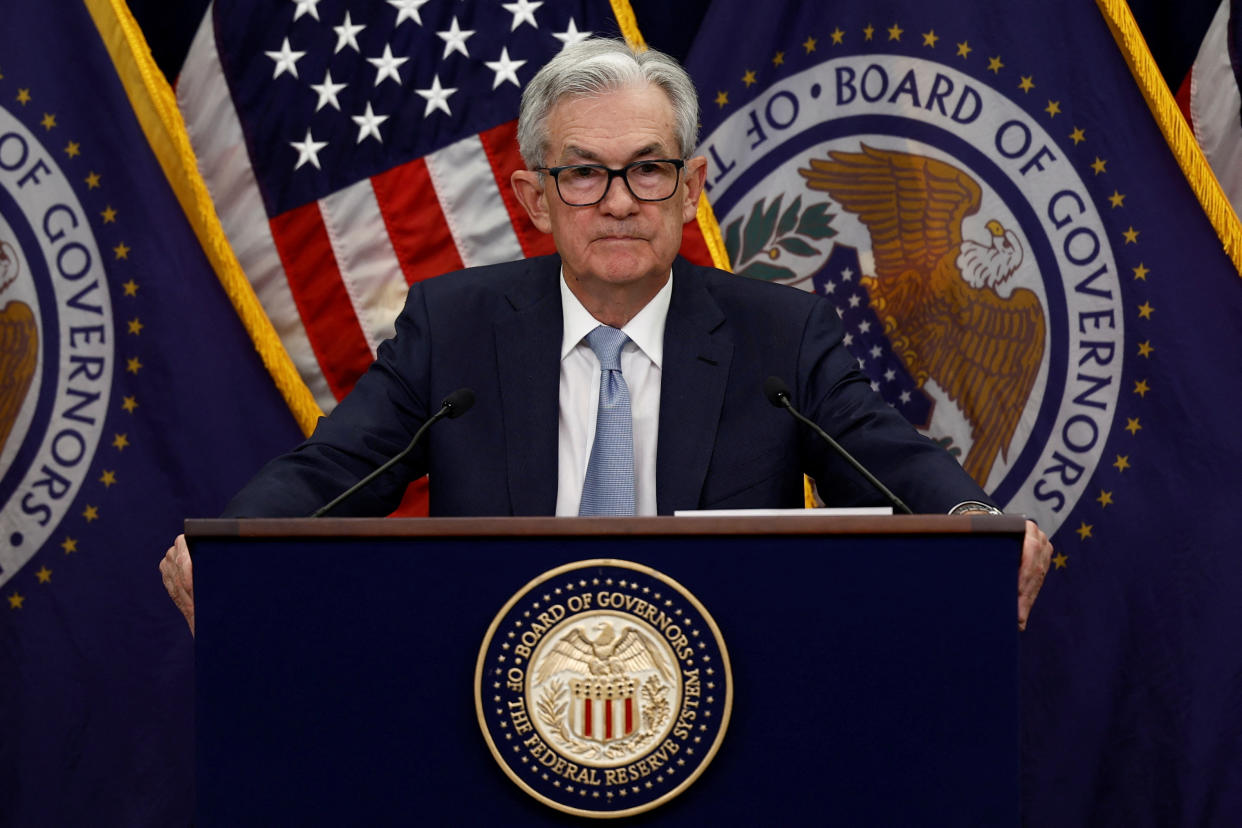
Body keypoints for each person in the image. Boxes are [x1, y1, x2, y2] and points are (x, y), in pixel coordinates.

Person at [161, 39, 1052, 634]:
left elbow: (887, 456)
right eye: (584, 173)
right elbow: (331, 473)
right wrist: (229, 548)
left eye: (649, 170)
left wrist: (980, 525)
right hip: (496, 694)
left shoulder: (780, 337)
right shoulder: (455, 330)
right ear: (534, 198)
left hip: (725, 694)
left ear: (692, 185)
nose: (620, 200)